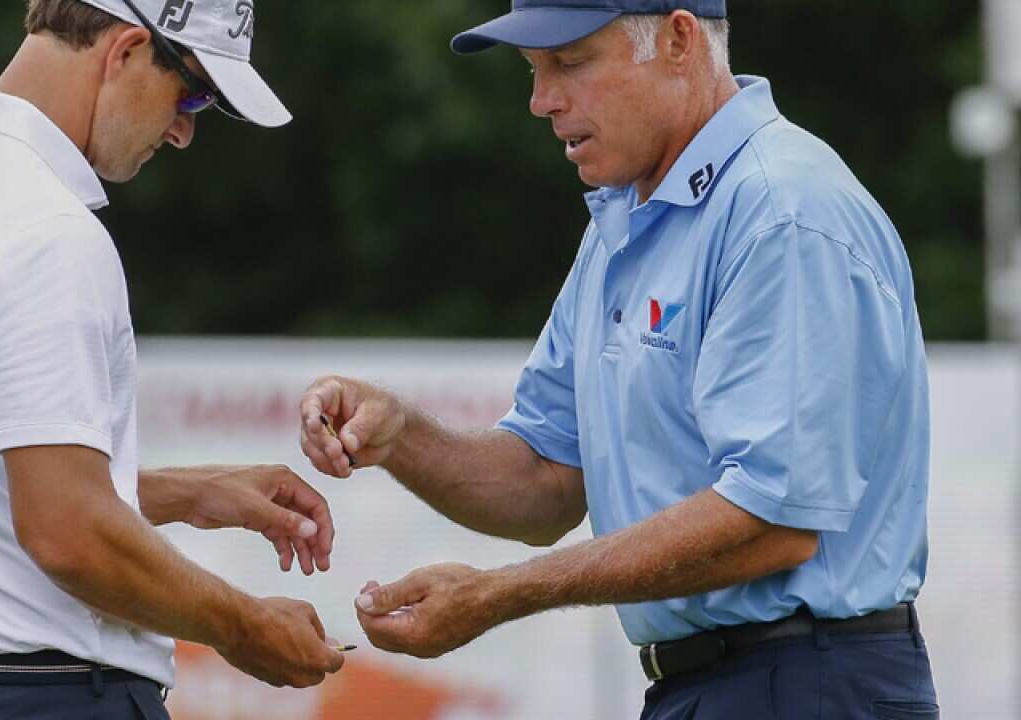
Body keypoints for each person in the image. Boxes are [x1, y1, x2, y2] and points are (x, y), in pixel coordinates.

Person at [300, 1, 938, 717]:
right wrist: (401, 437)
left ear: (677, 39)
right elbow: (548, 478)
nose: (542, 101)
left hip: (810, 683)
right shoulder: (624, 219)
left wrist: (497, 593)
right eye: (534, 71)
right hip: (724, 685)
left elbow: (774, 520)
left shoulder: (781, 210)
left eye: (570, 62)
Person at [0, 1, 344, 718]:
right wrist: (245, 626)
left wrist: (192, 492)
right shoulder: (46, 227)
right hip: (48, 698)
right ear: (127, 50)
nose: (184, 129)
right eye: (191, 90)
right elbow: (66, 530)